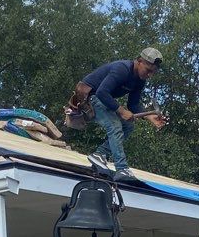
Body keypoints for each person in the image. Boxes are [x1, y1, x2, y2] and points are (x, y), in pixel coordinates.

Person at [69, 48, 168, 182]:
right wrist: (121, 111)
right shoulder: (122, 69)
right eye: (148, 70)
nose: (150, 75)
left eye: (153, 72)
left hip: (102, 99)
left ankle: (100, 154)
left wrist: (149, 117)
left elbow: (132, 105)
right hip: (89, 97)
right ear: (139, 61)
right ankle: (122, 169)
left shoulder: (140, 80)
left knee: (128, 126)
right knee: (115, 126)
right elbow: (102, 92)